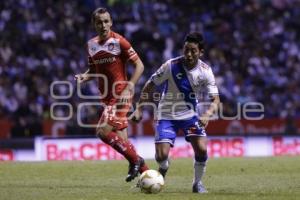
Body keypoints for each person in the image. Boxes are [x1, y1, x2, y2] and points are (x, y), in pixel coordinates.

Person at [132, 32, 220, 193]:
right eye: (186, 49)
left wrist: (207, 114)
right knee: (161, 156)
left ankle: (197, 183)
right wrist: (139, 107)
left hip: (190, 115)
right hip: (166, 114)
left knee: (201, 148)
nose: (188, 54)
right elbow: (149, 85)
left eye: (193, 50)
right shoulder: (170, 66)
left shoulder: (206, 71)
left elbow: (216, 100)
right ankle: (164, 166)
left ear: (201, 52)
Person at [75, 7, 148, 182]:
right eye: (99, 22)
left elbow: (140, 65)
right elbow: (94, 70)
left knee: (102, 131)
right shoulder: (91, 45)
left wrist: (129, 86)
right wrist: (85, 76)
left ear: (111, 22)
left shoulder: (119, 41)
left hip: (120, 95)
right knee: (124, 142)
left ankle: (137, 160)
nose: (103, 25)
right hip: (106, 97)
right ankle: (148, 177)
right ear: (94, 24)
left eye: (106, 21)